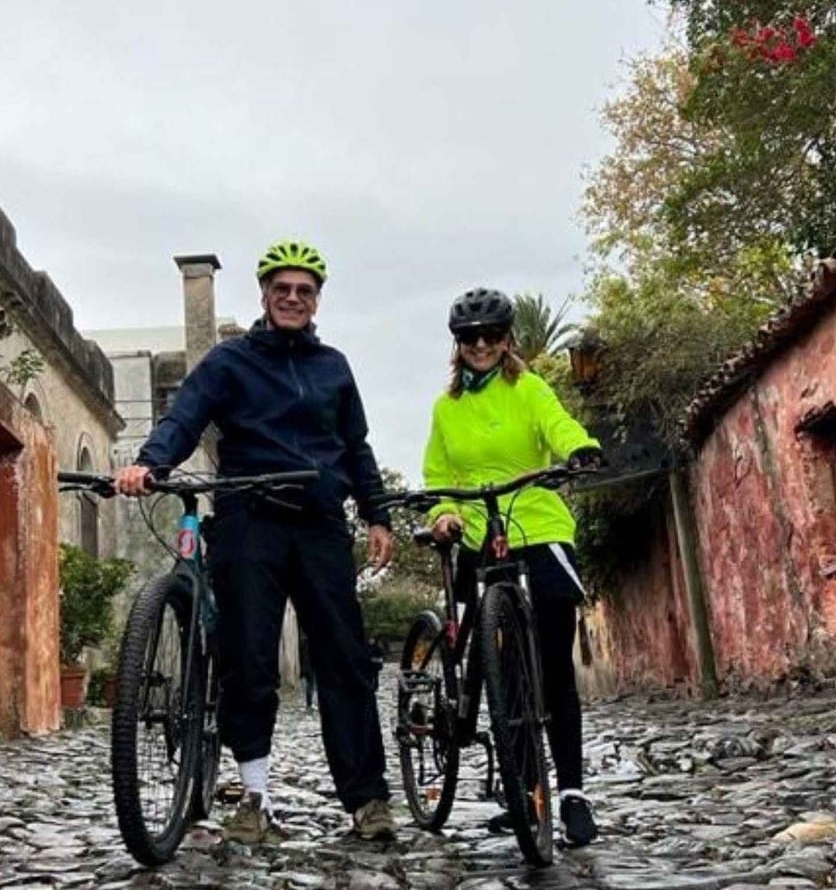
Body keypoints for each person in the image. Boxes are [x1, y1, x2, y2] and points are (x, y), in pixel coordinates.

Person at [115, 240, 397, 845]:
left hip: (321, 523)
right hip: (250, 519)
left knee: (345, 663)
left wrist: (377, 514)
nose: (293, 298)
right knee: (249, 661)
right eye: (282, 289)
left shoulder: (335, 368)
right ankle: (255, 796)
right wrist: (149, 464)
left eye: (305, 290)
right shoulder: (228, 363)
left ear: (317, 299)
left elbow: (357, 447)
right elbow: (184, 416)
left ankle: (367, 802)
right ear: (264, 295)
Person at [420, 287, 603, 847]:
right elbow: (436, 473)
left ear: (507, 340)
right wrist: (446, 512)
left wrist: (579, 448)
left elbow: (557, 424)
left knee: (550, 667)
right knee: (502, 669)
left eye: (492, 336)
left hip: (539, 526)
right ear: (458, 345)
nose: (481, 345)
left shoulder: (529, 387)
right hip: (479, 534)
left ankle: (569, 793)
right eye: (470, 338)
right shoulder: (446, 408)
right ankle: (525, 791)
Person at [298, 630, 316, 712]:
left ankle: (308, 703)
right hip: (310, 667)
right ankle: (309, 703)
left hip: (304, 667)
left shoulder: (302, 643)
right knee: (310, 685)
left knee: (309, 685)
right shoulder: (310, 644)